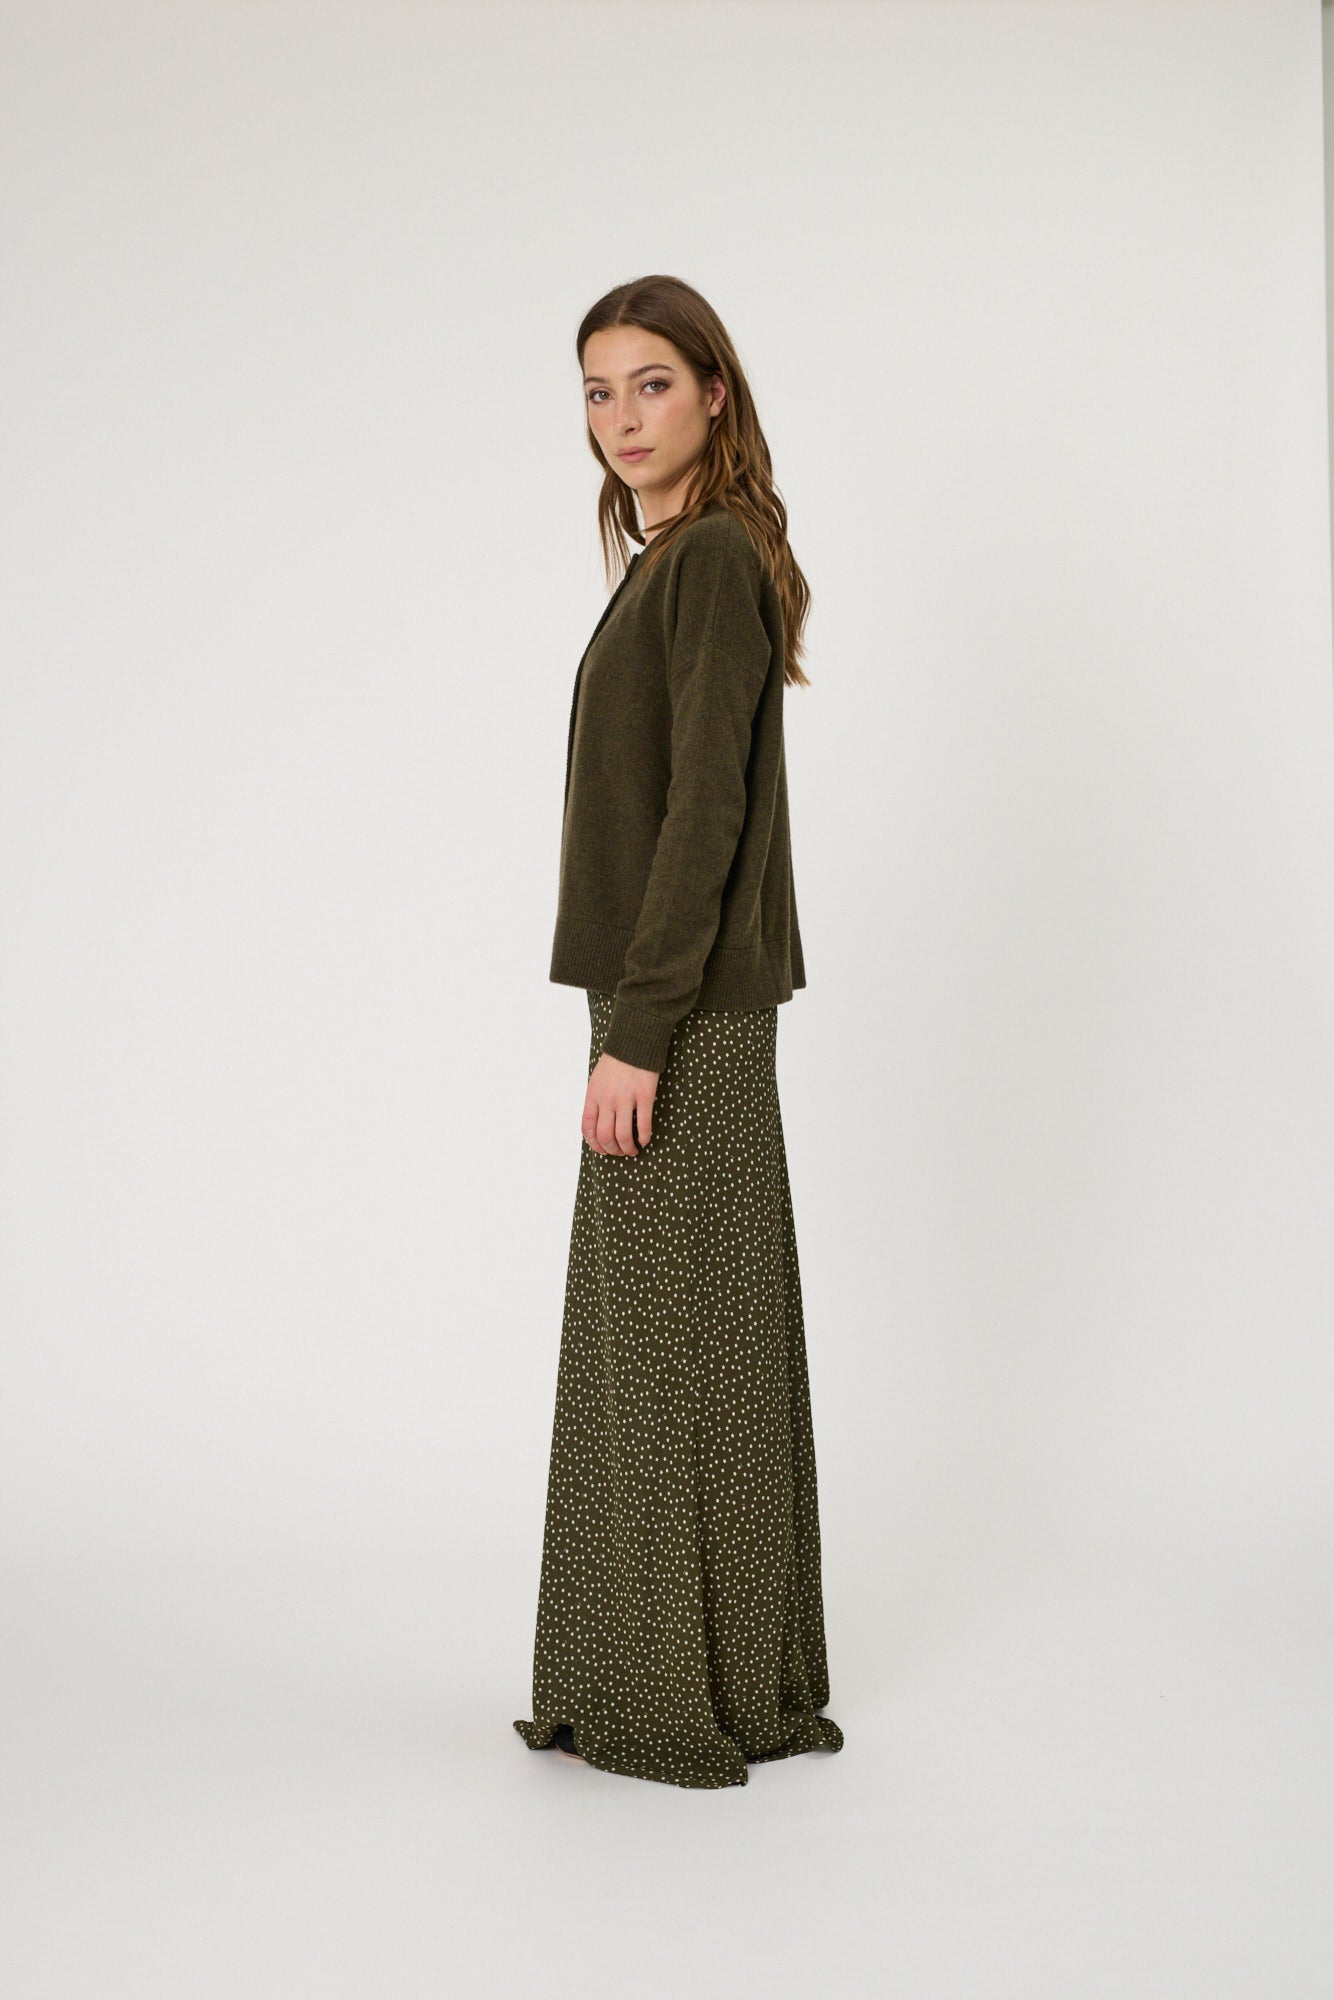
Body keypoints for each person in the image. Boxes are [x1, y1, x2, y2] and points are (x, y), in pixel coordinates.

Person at [512, 274, 844, 1790]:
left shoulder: (706, 559)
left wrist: (637, 1032)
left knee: (666, 1355)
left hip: (679, 1008)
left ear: (714, 391)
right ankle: (707, 1677)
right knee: (690, 1343)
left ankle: (671, 1695)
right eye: (598, 391)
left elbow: (705, 809)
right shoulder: (678, 561)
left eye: (650, 384)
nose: (621, 418)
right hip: (674, 996)